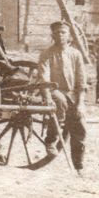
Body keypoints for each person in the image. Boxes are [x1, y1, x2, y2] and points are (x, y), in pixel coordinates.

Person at [38, 20, 89, 172]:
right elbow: (44, 76)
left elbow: (81, 80)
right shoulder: (47, 54)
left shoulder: (76, 54)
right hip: (54, 91)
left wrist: (80, 104)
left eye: (63, 32)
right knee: (60, 103)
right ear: (52, 35)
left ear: (69, 35)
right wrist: (47, 96)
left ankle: (78, 166)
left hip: (72, 94)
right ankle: (51, 140)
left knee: (80, 128)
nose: (60, 35)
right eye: (57, 32)